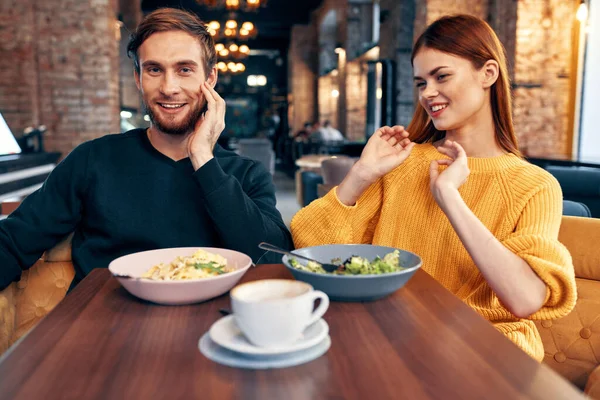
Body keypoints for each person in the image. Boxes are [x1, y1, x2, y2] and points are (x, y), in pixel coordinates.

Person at [291, 14, 576, 361]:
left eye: (441, 76)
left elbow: (525, 299)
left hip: (484, 353)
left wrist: (450, 198)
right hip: (392, 338)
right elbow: (307, 243)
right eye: (421, 82)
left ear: (488, 73)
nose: (428, 93)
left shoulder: (535, 185)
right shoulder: (404, 163)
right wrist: (361, 174)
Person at [0, 8, 292, 291]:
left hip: (209, 329)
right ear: (139, 79)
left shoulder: (246, 174)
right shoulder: (93, 160)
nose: (169, 87)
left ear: (210, 80)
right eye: (154, 70)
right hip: (102, 328)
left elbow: (273, 260)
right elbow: (13, 242)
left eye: (185, 70)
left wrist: (203, 159)